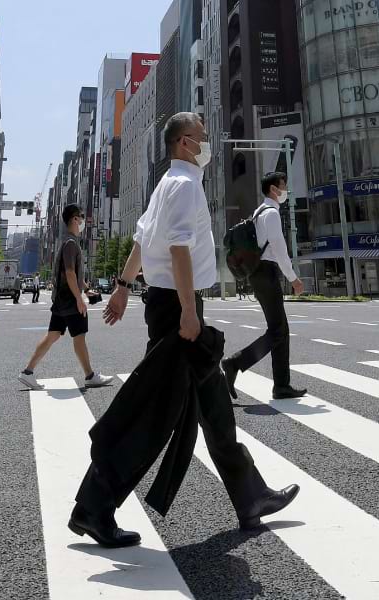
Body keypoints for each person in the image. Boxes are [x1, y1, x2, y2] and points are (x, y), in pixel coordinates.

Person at [69, 112, 299, 548]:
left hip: (170, 303)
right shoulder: (185, 185)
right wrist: (190, 310)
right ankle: (93, 507)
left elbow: (141, 240)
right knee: (154, 413)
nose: (207, 145)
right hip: (177, 306)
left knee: (212, 403)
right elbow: (176, 248)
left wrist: (121, 288)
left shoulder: (167, 184)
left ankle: (250, 496)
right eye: (202, 138)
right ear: (183, 144)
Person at [221, 172, 307, 401]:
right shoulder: (270, 214)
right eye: (283, 186)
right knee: (278, 331)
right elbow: (279, 248)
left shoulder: (260, 212)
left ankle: (282, 385)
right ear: (273, 189)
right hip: (266, 273)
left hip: (260, 274)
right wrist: (294, 279)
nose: (286, 190)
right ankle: (235, 363)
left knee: (281, 330)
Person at [17, 204, 113, 391]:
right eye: (81, 217)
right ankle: (90, 376)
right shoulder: (70, 243)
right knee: (79, 336)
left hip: (62, 299)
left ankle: (27, 372)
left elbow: (75, 275)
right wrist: (79, 298)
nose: (83, 221)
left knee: (53, 335)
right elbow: (69, 272)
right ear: (75, 219)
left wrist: (86, 290)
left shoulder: (69, 242)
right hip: (69, 299)